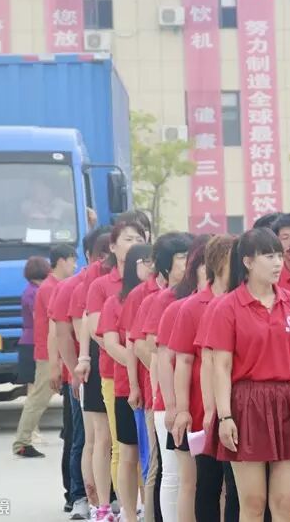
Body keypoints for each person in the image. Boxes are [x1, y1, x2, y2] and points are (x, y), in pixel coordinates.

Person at [202, 228, 290, 521]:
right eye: (269, 256)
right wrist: (224, 416)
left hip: (288, 402)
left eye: (279, 256)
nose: (278, 262)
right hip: (246, 405)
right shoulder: (227, 306)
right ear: (248, 261)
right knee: (253, 504)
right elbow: (221, 366)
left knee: (285, 503)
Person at [81, 220, 148, 522]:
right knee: (120, 444)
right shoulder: (102, 286)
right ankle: (119, 508)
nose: (134, 244)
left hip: (145, 374)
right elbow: (100, 333)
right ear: (113, 246)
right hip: (113, 372)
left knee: (145, 447)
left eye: (139, 239)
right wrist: (134, 362)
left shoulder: (152, 289)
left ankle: (145, 505)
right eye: (128, 239)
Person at [171, 235, 237, 522]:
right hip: (203, 410)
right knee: (208, 482)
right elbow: (184, 362)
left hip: (238, 405)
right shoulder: (192, 307)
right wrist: (182, 409)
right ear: (219, 263)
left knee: (236, 486)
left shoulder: (243, 301)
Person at [144, 234, 210, 522]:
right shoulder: (170, 302)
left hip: (205, 406)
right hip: (174, 404)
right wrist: (169, 404)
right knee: (175, 475)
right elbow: (160, 356)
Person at [132, 233, 193, 522]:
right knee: (171, 472)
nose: (188, 263)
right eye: (182, 257)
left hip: (194, 397)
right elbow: (150, 349)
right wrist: (164, 393)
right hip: (166, 400)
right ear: (166, 265)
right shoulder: (163, 300)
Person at [99, 242, 154, 522]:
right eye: (146, 261)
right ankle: (129, 513)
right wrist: (138, 361)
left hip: (154, 386)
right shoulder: (116, 301)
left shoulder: (159, 296)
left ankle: (149, 509)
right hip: (126, 386)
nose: (152, 267)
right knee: (128, 452)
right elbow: (111, 343)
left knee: (152, 456)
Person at [13, 244, 77, 458]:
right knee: (38, 398)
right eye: (73, 261)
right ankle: (22, 442)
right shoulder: (51, 288)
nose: (75, 266)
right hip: (48, 353)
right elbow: (56, 325)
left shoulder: (54, 285)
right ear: (62, 261)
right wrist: (56, 359)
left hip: (52, 351)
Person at [69, 228, 113, 514]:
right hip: (97, 363)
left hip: (114, 359)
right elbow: (78, 327)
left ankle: (111, 500)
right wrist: (82, 360)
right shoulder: (87, 284)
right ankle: (93, 501)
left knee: (115, 441)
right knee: (95, 438)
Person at [17, 256, 50, 386]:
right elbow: (40, 318)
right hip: (35, 343)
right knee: (39, 385)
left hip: (28, 341)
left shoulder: (29, 290)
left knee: (33, 386)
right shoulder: (35, 292)